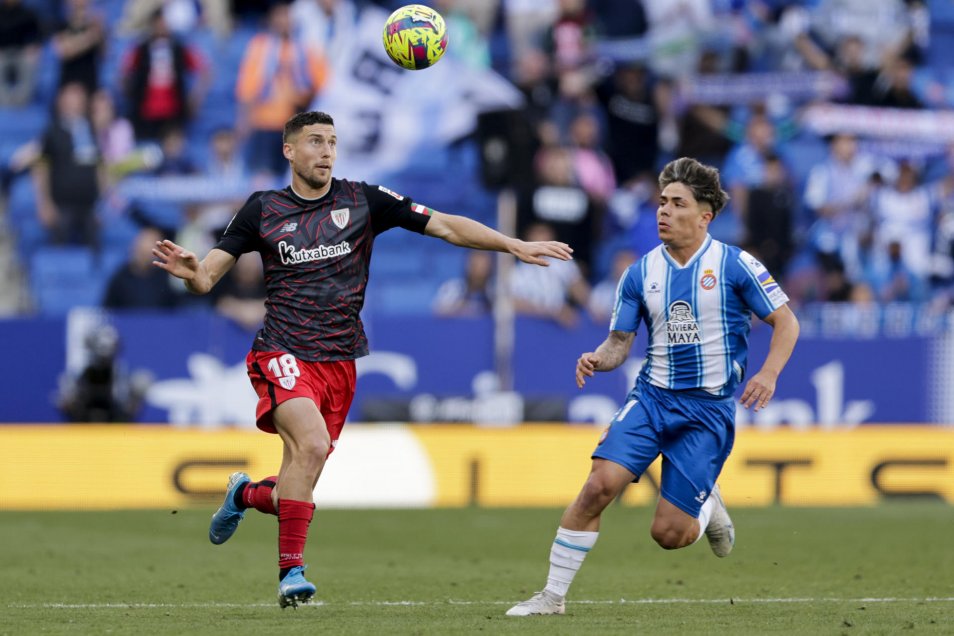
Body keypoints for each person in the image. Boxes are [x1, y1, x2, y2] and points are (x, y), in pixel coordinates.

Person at [152, 110, 573, 608]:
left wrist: (512, 244)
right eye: (314, 141)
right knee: (308, 446)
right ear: (289, 151)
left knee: (299, 479)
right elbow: (207, 279)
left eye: (332, 141)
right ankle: (292, 575)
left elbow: (446, 226)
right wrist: (189, 270)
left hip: (340, 361)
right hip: (281, 351)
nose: (326, 151)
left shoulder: (363, 200)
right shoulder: (261, 209)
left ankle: (244, 494)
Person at [506, 157, 800, 617]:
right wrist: (599, 358)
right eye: (661, 202)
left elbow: (786, 321)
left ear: (705, 215)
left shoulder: (735, 264)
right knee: (599, 486)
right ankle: (551, 597)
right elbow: (620, 342)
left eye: (677, 203)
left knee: (669, 535)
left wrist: (768, 373)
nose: (663, 210)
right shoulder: (640, 273)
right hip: (652, 398)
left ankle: (707, 506)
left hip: (707, 411)